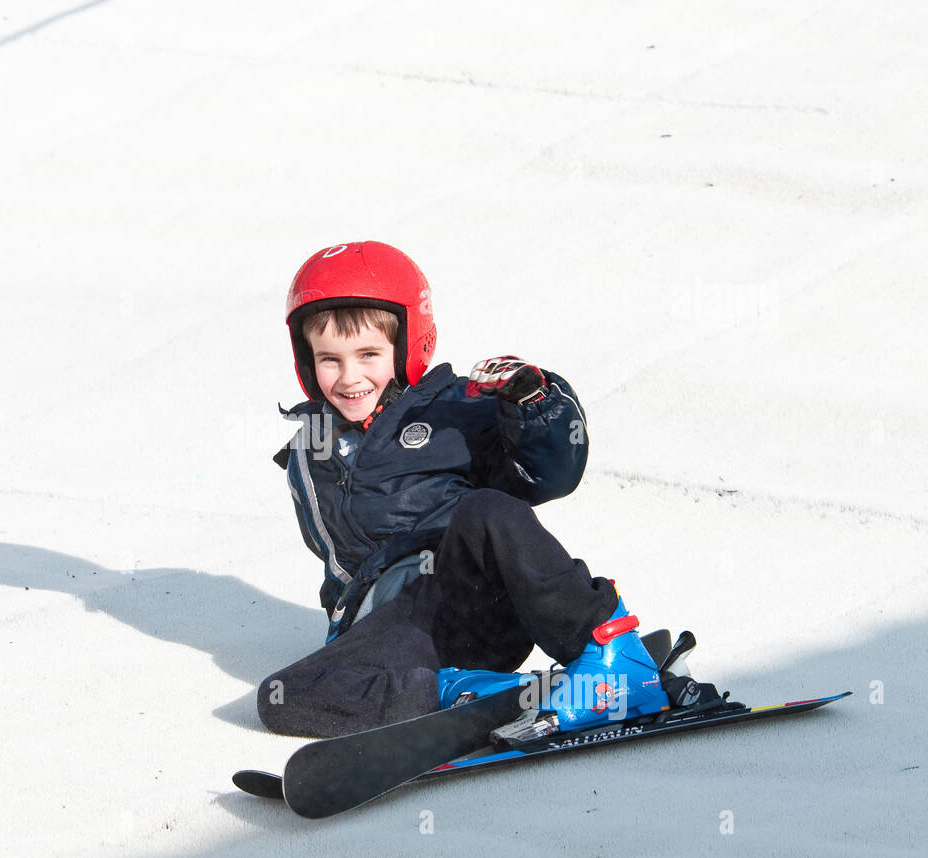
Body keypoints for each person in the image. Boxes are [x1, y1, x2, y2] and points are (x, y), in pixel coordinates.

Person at [258, 241, 694, 740]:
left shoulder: (452, 410)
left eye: (368, 355)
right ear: (304, 360)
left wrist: (531, 403)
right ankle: (474, 696)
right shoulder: (309, 453)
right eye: (329, 359)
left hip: (477, 600)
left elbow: (548, 474)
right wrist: (349, 644)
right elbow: (342, 565)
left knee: (487, 509)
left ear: (408, 347)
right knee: (286, 695)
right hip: (405, 630)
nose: (349, 376)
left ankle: (616, 660)